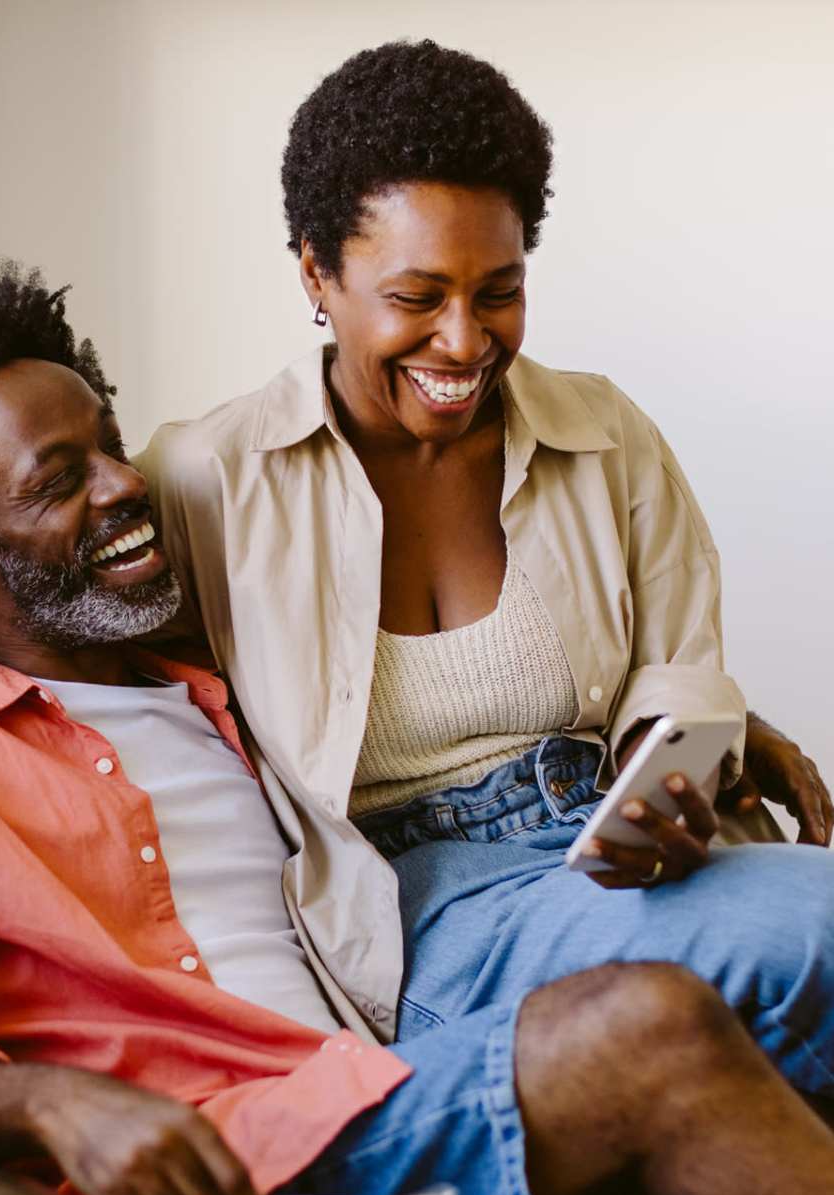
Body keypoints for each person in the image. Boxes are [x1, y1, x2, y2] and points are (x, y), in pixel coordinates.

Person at [0, 268, 834, 1195]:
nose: (125, 484)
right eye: (61, 480)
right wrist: (54, 1101)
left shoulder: (223, 678)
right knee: (636, 1028)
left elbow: (438, 696)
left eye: (110, 444)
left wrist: (709, 721)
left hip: (379, 1129)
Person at [138, 36, 834, 1039]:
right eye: (416, 298)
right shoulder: (209, 480)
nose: (464, 341)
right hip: (419, 908)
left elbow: (676, 664)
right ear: (316, 275)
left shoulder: (602, 434)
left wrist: (665, 765)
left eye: (498, 290)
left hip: (614, 850)